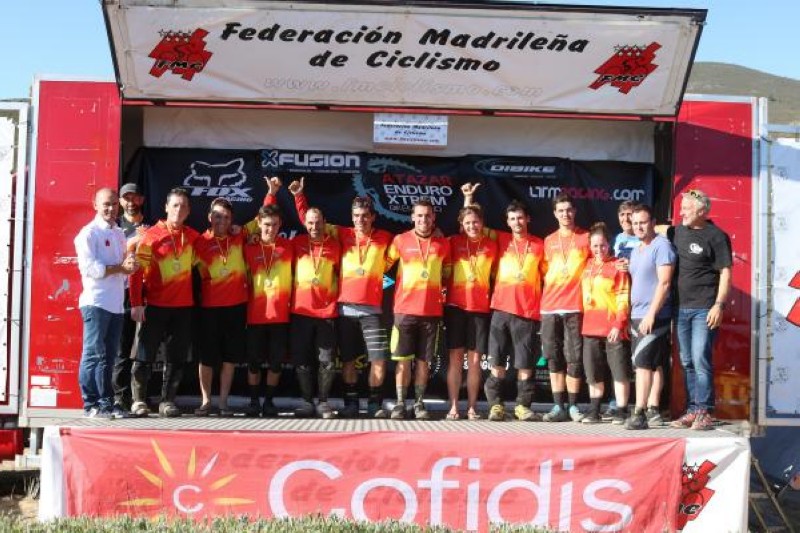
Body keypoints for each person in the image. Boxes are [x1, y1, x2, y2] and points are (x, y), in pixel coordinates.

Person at [287, 177, 393, 418]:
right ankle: (351, 404)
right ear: (351, 217)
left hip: (373, 311)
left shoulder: (386, 238)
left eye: (365, 216)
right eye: (356, 216)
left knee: (378, 360)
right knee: (347, 360)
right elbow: (311, 223)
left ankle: (375, 404)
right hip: (344, 310)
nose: (360, 220)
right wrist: (298, 197)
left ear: (373, 217)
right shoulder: (342, 234)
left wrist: (438, 233)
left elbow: (410, 246)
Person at [463, 185, 546, 423]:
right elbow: (471, 225)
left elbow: (551, 277)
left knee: (525, 363)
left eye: (520, 218)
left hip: (527, 312)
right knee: (497, 361)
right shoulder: (499, 239)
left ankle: (522, 406)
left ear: (527, 219)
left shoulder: (540, 246)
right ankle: (496, 406)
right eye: (512, 219)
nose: (517, 222)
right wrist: (468, 198)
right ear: (507, 222)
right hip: (500, 310)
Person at [129, 188, 200, 417]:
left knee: (176, 357)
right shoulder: (151, 235)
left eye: (183, 206)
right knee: (144, 353)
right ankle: (139, 400)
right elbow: (135, 271)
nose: (179, 210)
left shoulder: (193, 237)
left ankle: (167, 401)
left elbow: (216, 249)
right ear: (166, 208)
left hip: (183, 306)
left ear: (188, 211)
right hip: (156, 304)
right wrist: (136, 302)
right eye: (175, 205)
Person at [668, 189, 732, 431]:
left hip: (704, 308)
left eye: (686, 208)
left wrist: (719, 305)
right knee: (686, 361)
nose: (681, 212)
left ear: (702, 211)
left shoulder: (716, 236)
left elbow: (726, 272)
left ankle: (705, 412)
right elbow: (653, 232)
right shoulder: (676, 231)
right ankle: (692, 410)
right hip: (680, 308)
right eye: (681, 207)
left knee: (700, 359)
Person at [74, 188, 138, 418]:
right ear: (95, 205)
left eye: (113, 204)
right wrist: (121, 268)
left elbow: (121, 269)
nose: (111, 209)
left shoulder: (119, 233)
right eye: (106, 205)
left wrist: (130, 265)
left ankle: (106, 404)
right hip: (96, 303)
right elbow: (91, 270)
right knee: (92, 355)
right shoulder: (88, 234)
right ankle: (89, 404)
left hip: (116, 304)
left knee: (109, 357)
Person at [281, 180, 342, 418]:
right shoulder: (296, 244)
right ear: (304, 224)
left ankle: (323, 401)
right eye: (310, 222)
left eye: (318, 222)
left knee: (327, 361)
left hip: (327, 312)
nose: (314, 226)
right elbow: (267, 237)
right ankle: (307, 401)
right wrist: (298, 197)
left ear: (325, 223)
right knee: (302, 360)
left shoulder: (337, 245)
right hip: (300, 311)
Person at [386, 199, 450, 420]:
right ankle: (400, 404)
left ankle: (419, 403)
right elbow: (383, 269)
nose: (423, 219)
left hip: (431, 313)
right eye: (419, 216)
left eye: (428, 216)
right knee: (403, 361)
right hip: (404, 311)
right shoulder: (400, 240)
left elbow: (447, 274)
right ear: (413, 217)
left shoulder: (443, 245)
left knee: (424, 362)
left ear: (434, 218)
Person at [192, 197, 249, 416]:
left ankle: (223, 402)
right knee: (207, 356)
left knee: (229, 357)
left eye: (226, 217)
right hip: (209, 307)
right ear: (209, 217)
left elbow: (262, 219)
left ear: (232, 219)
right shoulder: (199, 241)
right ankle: (206, 401)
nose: (221, 220)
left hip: (236, 306)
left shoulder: (240, 236)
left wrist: (272, 192)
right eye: (217, 216)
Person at [243, 180, 294, 417]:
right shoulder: (248, 247)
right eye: (265, 225)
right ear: (258, 225)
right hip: (254, 315)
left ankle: (269, 401)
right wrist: (271, 194)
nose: (269, 229)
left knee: (275, 363)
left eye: (274, 225)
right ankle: (254, 401)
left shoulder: (289, 247)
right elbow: (259, 216)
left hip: (280, 315)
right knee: (253, 363)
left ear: (280, 225)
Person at [444, 200, 497, 420]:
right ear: (461, 224)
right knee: (455, 358)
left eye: (475, 222)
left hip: (480, 309)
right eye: (467, 222)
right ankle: (454, 406)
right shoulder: (452, 242)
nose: (472, 226)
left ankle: (473, 407)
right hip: (456, 307)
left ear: (482, 223)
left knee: (475, 361)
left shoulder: (493, 245)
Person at [540, 194, 590, 422]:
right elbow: (542, 272)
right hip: (550, 306)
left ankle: (573, 406)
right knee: (553, 358)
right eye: (561, 211)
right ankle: (558, 406)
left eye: (569, 210)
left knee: (574, 357)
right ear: (554, 214)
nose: (565, 214)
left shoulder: (586, 238)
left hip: (574, 306)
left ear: (575, 211)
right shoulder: (548, 240)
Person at [625, 204, 676, 430]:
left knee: (643, 365)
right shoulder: (636, 250)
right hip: (637, 315)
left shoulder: (662, 246)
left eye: (643, 222)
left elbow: (664, 283)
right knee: (652, 364)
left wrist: (651, 314)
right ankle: (653, 408)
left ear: (653, 222)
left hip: (654, 315)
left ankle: (639, 413)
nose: (639, 227)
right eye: (635, 223)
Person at [579, 223, 632, 424]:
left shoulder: (617, 266)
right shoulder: (587, 265)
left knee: (618, 371)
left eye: (602, 245)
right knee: (593, 371)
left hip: (612, 327)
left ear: (609, 244)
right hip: (590, 327)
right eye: (594, 246)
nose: (599, 249)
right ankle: (594, 410)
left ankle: (621, 410)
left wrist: (619, 324)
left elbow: (623, 298)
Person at [111, 182, 148, 415]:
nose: (131, 202)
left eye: (135, 198)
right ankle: (119, 397)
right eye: (126, 198)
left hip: (146, 294)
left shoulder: (152, 228)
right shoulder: (114, 229)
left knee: (143, 348)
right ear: (121, 202)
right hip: (120, 295)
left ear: (141, 200)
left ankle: (140, 398)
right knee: (121, 349)